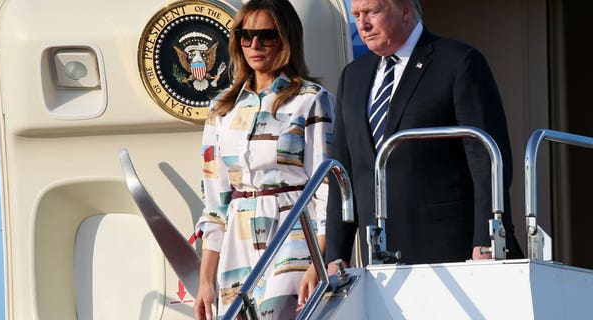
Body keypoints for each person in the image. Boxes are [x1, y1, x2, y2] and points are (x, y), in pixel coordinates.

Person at [325, 0, 523, 269]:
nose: (363, 24)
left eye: (372, 12)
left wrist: (487, 241)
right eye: (356, 15)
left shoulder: (458, 62)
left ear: (406, 10)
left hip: (451, 250)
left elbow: (487, 160)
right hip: (378, 258)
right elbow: (342, 173)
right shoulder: (353, 76)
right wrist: (336, 255)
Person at [193, 0, 334, 319]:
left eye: (266, 35)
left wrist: (318, 261)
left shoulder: (310, 100)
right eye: (246, 35)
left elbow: (325, 189)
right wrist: (205, 280)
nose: (254, 44)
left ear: (286, 39)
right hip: (237, 238)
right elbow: (215, 203)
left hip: (293, 231)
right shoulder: (222, 109)